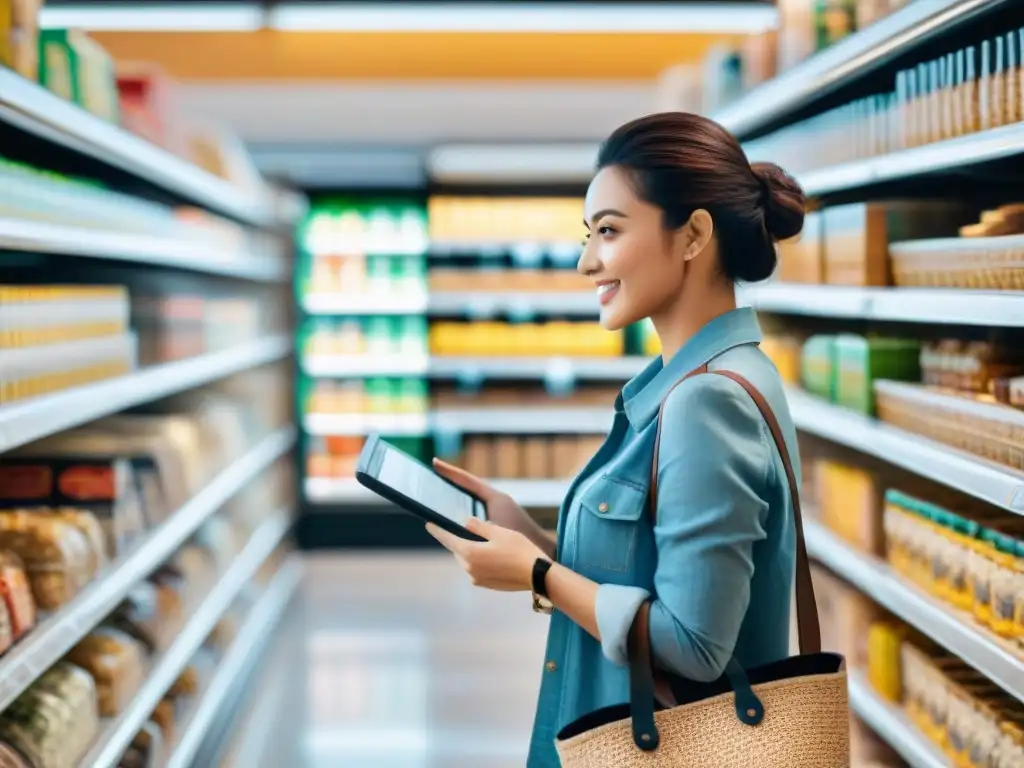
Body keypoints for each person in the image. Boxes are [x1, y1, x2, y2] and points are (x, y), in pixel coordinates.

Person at [426, 111, 806, 767]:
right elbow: (657, 576)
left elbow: (694, 645)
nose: (585, 262)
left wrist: (538, 573)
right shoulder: (713, 377)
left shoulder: (707, 401)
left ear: (691, 236)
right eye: (587, 234)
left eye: (608, 231)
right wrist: (538, 544)